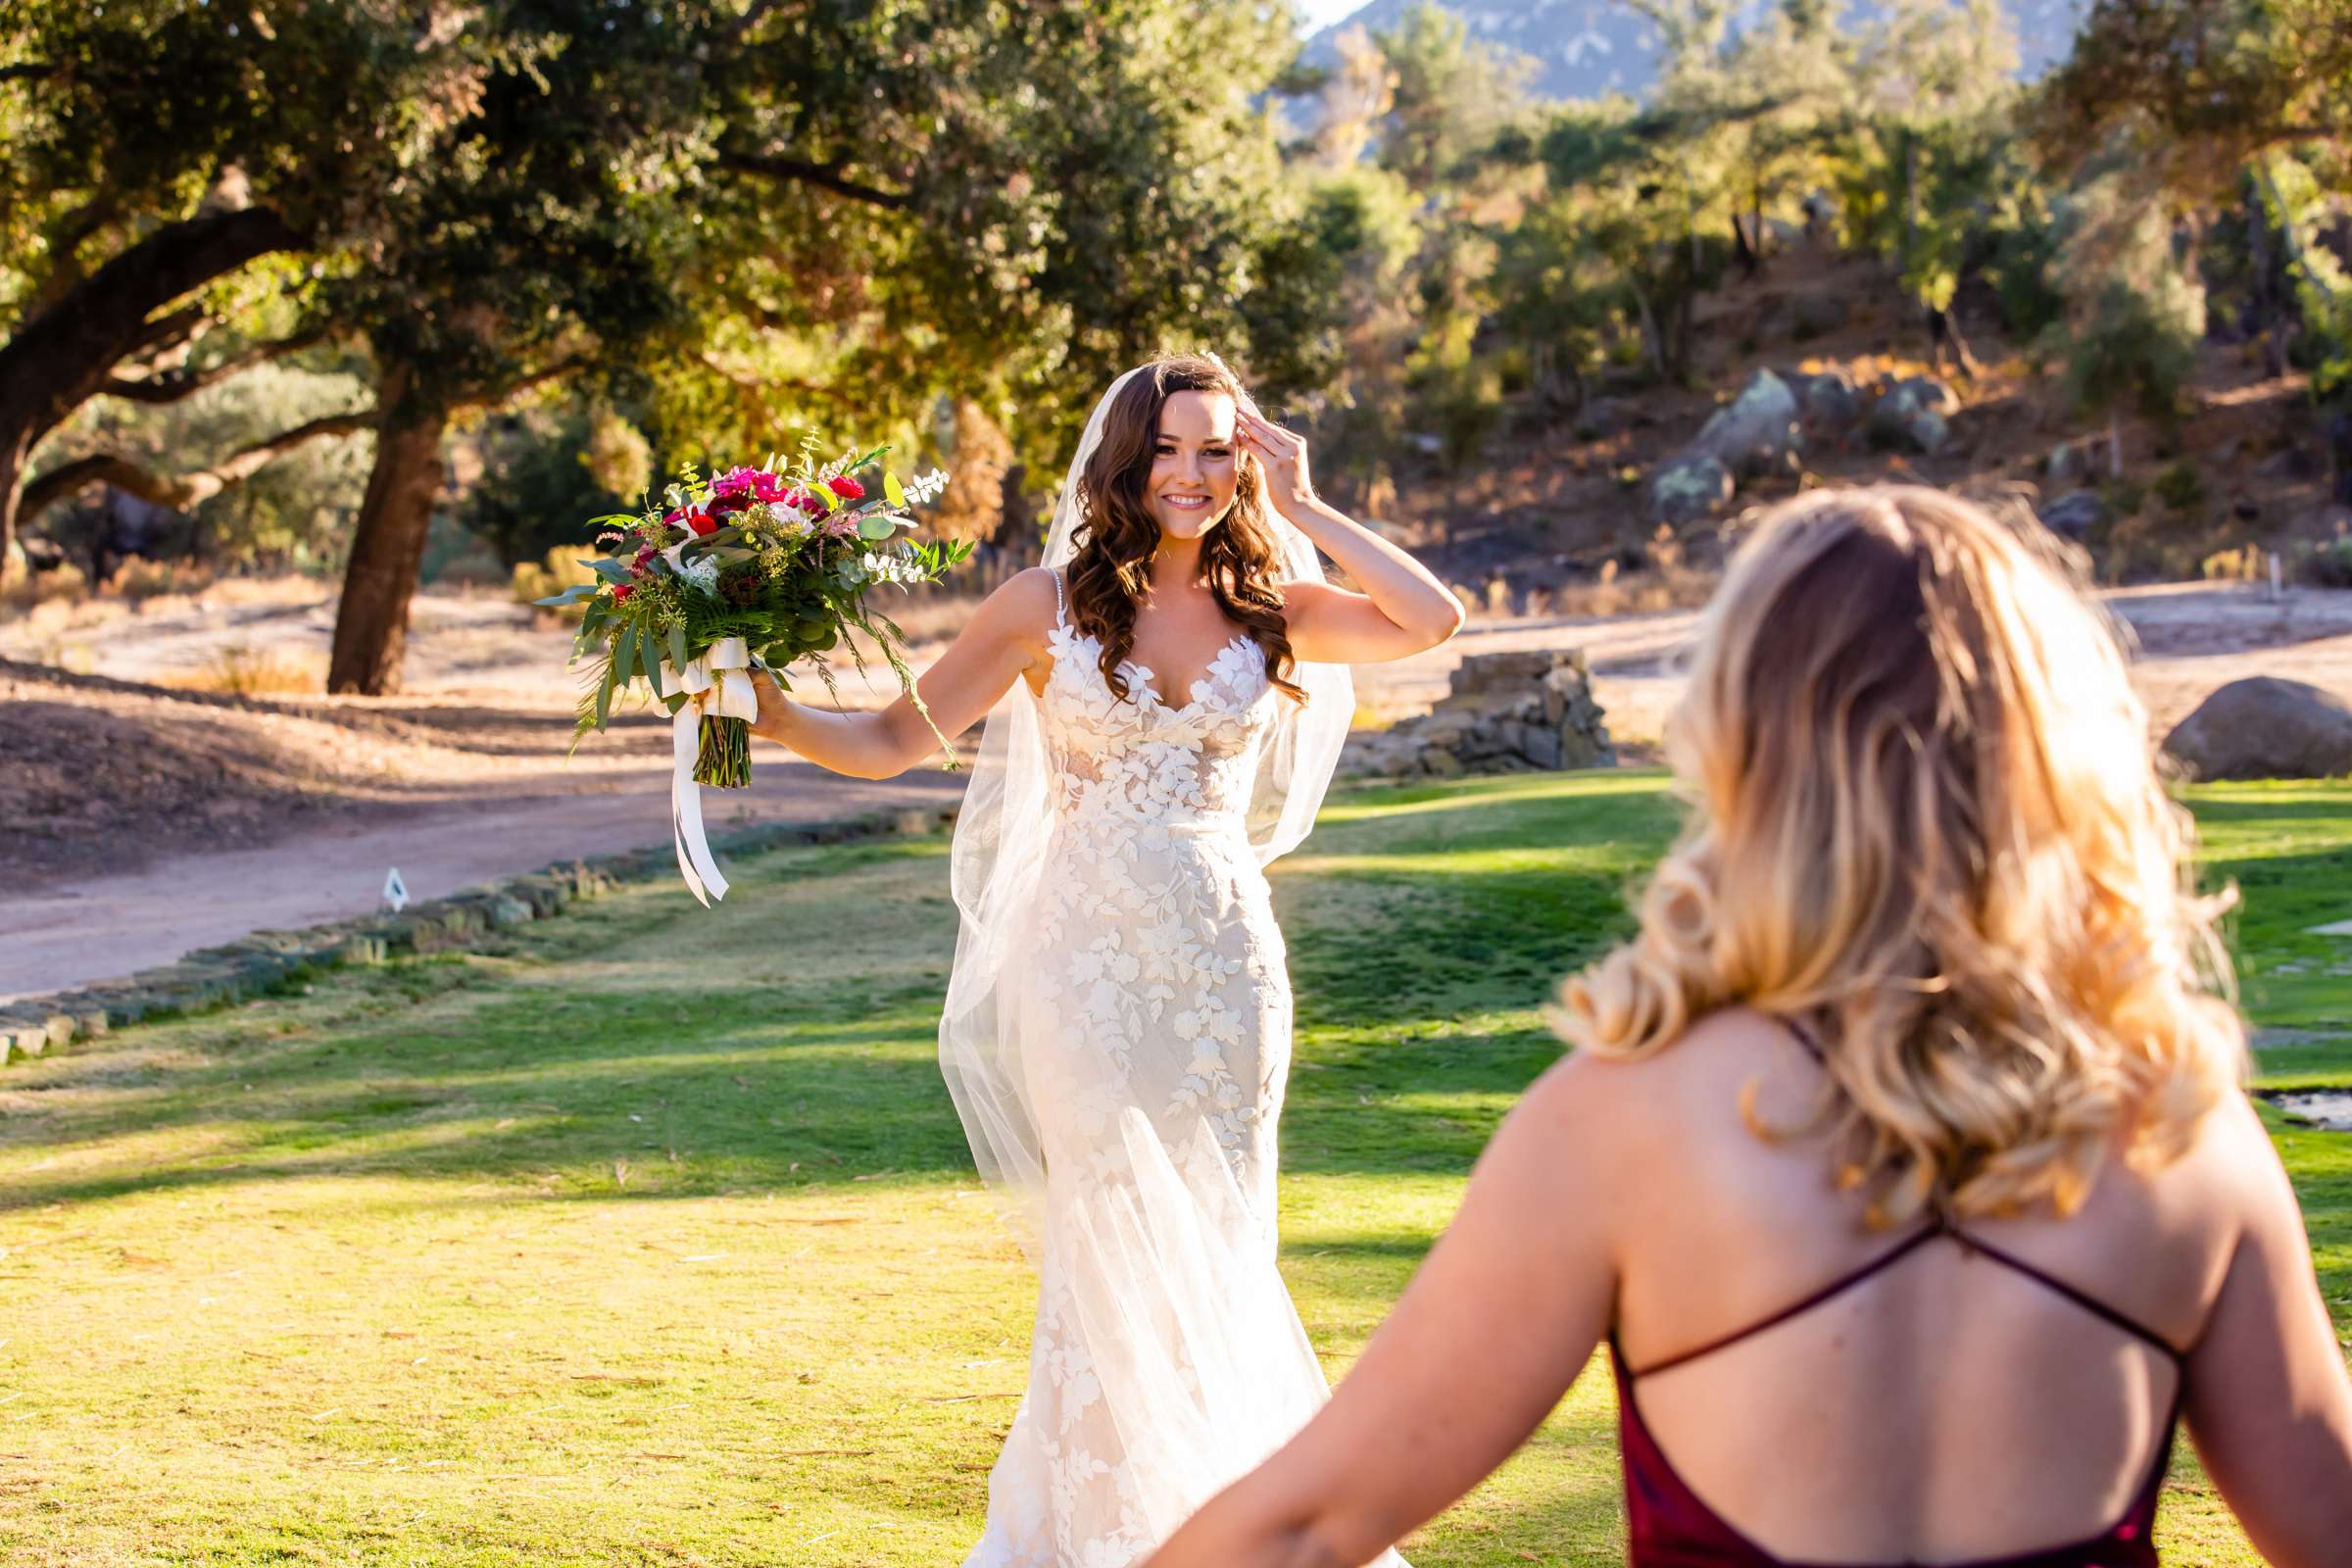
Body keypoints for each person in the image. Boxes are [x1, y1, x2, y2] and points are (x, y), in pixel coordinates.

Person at [1140, 485, 2352, 1568]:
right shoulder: (2181, 1136)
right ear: (2053, 750)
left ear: (1742, 745)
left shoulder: (1626, 1125)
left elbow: (1305, 1526)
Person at [746, 353, 1462, 1566]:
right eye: (1171, 449)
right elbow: (887, 739)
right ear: (1125, 460)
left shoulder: (1274, 603)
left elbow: (1432, 620)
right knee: (1105, 1243)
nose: (1193, 474)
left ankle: (1228, 1532)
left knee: (1221, 1244)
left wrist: (1305, 506)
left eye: (1216, 449)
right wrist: (766, 712)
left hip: (1224, 966)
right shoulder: (1042, 604)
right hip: (1081, 967)